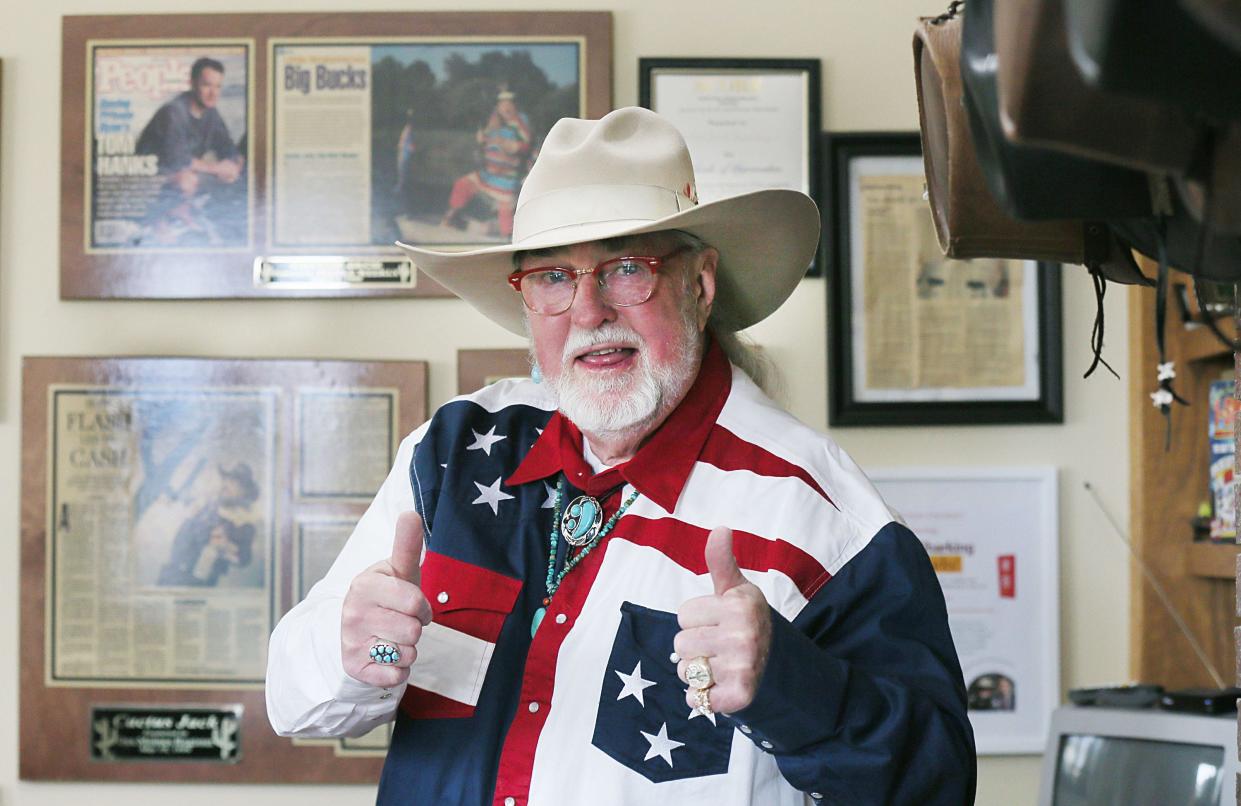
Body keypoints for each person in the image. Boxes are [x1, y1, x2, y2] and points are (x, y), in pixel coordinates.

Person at [266, 107, 975, 805]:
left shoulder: (822, 517)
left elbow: (935, 785)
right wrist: (358, 651)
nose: (587, 311)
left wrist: (793, 688)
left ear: (698, 286)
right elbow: (296, 704)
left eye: (625, 269)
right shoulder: (453, 451)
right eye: (551, 278)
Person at [135, 56, 244, 244]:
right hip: (146, 179)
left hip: (178, 173)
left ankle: (184, 213)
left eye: (218, 86)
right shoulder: (173, 113)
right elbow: (177, 160)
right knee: (187, 180)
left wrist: (234, 164)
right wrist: (218, 168)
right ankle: (160, 223)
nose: (213, 93)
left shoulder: (211, 114)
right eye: (207, 86)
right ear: (192, 84)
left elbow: (227, 146)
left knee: (229, 176)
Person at [439, 89, 533, 237]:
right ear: (498, 106)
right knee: (462, 184)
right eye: (503, 104)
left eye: (509, 103)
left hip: (507, 177)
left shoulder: (520, 122)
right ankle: (449, 218)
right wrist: (482, 140)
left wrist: (513, 146)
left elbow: (526, 145)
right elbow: (484, 142)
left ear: (514, 105)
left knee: (505, 208)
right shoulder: (494, 120)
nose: (506, 107)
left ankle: (508, 238)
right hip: (487, 174)